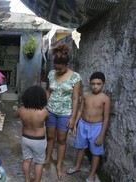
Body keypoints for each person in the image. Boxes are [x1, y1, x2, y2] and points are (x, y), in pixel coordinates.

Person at [44, 43, 82, 178]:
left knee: (61, 140)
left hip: (65, 114)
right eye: (55, 68)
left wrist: (72, 118)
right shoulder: (51, 73)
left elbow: (76, 99)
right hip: (50, 111)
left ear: (66, 65)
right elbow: (49, 91)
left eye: (60, 69)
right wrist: (44, 107)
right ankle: (47, 158)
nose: (57, 71)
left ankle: (59, 165)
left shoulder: (75, 77)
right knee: (50, 137)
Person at [67, 72, 111, 182]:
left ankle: (92, 174)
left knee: (95, 152)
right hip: (83, 124)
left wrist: (101, 135)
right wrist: (76, 124)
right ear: (90, 84)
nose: (95, 86)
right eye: (93, 84)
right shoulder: (86, 95)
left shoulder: (105, 99)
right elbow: (80, 110)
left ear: (103, 84)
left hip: (96, 127)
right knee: (80, 147)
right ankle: (77, 166)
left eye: (98, 84)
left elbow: (106, 118)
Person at [13, 85, 49, 182]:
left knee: (27, 160)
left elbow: (14, 115)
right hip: (39, 140)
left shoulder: (21, 110)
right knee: (39, 163)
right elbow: (48, 120)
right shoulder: (44, 112)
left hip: (26, 139)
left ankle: (27, 180)